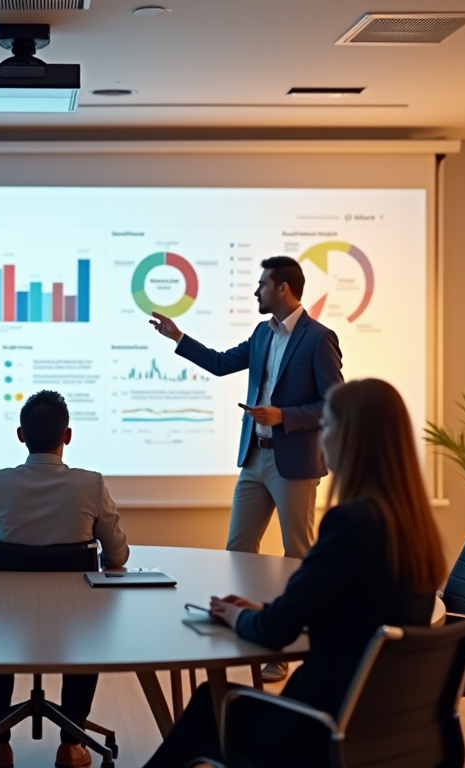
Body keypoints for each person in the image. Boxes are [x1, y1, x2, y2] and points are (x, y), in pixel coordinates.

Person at [141, 378, 446, 768]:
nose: (321, 438)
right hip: (385, 727)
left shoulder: (350, 524)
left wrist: (239, 616)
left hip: (318, 726)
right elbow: (359, 615)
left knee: (209, 704)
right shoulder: (413, 527)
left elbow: (274, 631)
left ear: (352, 439)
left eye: (328, 427)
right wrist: (266, 610)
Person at [150, 256, 342, 681]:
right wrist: (178, 336)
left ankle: (288, 648)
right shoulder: (261, 333)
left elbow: (335, 403)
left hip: (293, 461)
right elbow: (220, 363)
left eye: (262, 285)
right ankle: (247, 637)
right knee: (238, 552)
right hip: (255, 457)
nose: (256, 291)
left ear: (284, 290)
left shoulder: (319, 338)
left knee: (296, 556)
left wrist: (284, 416)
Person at [0, 390, 129, 768]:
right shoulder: (93, 484)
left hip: (4, 616)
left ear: (21, 435)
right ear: (67, 436)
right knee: (85, 635)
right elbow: (118, 556)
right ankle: (72, 744)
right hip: (76, 618)